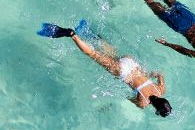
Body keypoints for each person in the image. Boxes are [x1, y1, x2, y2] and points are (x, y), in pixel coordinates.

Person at [38, 22, 172, 117]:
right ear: (156, 108)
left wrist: (147, 74)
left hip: (132, 64)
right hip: (123, 72)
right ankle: (72, 34)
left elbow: (159, 73)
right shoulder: (143, 103)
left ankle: (86, 31)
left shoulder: (161, 89)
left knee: (112, 53)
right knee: (93, 54)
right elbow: (127, 97)